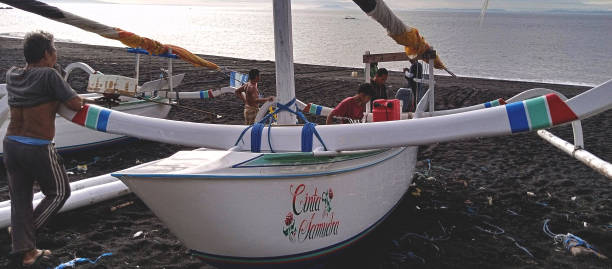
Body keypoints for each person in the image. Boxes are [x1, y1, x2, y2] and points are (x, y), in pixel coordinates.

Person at [4, 31, 83, 267]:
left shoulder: (12, 74)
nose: (56, 54)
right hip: (37, 146)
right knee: (59, 192)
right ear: (47, 53)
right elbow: (76, 104)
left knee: (20, 200)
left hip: (11, 144)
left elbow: (34, 88)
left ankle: (26, 252)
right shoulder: (50, 75)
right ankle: (22, 238)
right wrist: (58, 79)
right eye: (54, 49)